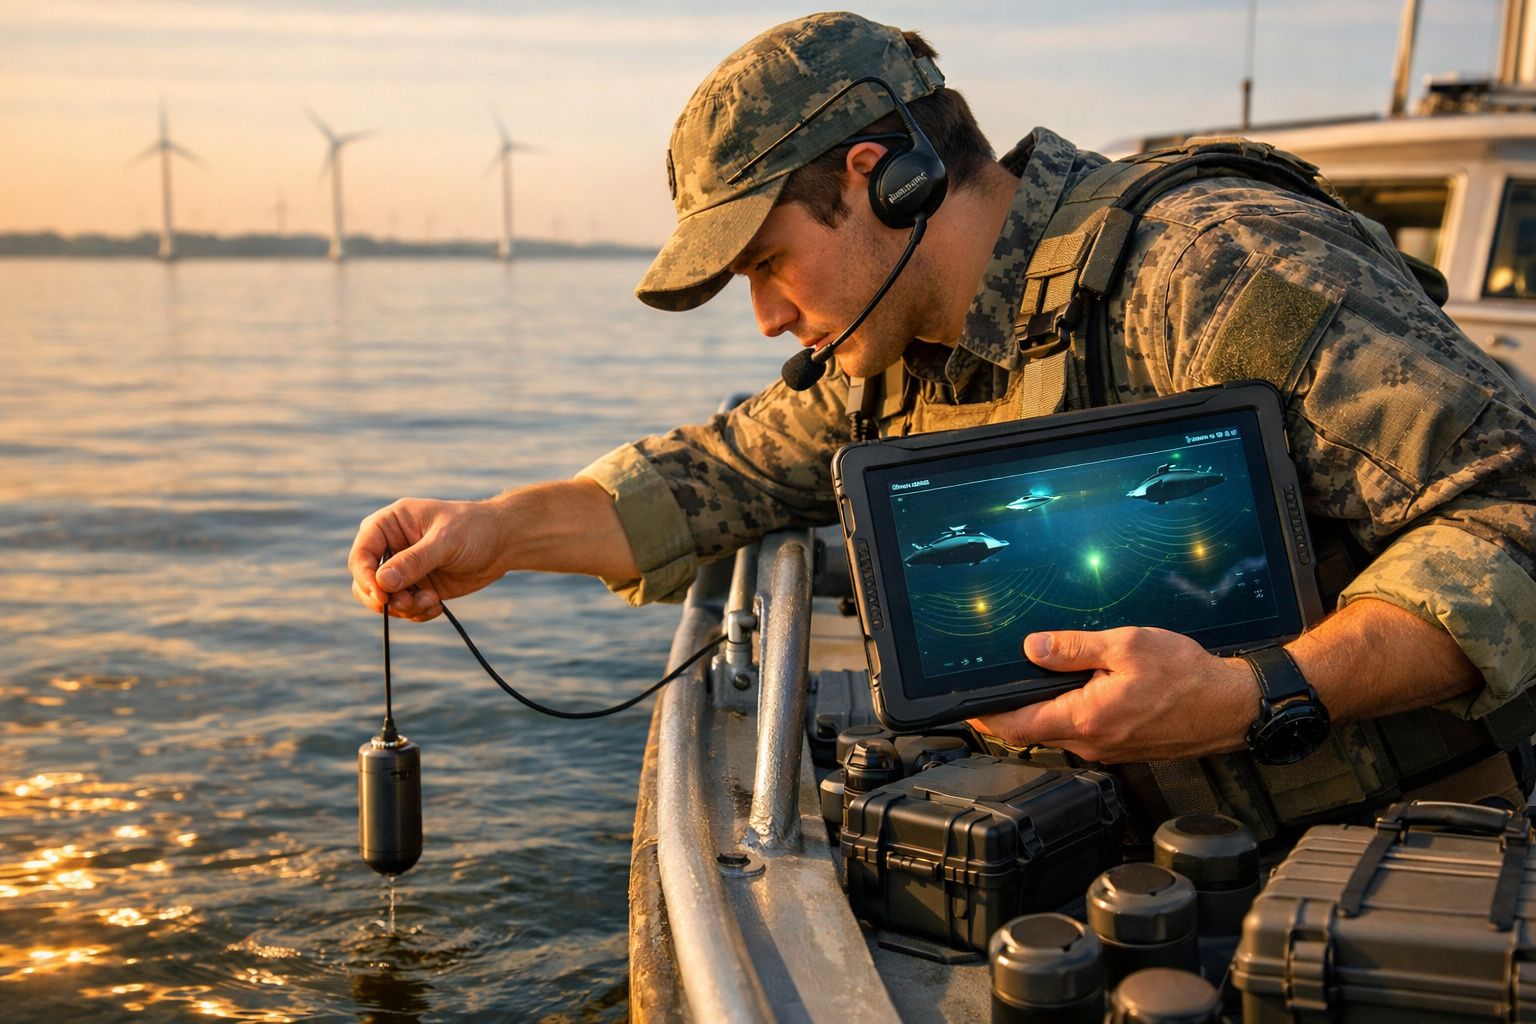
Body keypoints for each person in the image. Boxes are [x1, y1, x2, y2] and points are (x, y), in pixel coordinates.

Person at [350, 13, 1536, 839]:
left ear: (883, 177)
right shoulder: (884, 355)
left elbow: (1511, 514)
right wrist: (494, 531)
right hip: (1162, 857)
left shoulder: (1208, 269)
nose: (766, 319)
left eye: (769, 263)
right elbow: (713, 477)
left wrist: (1250, 691)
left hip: (1431, 845)